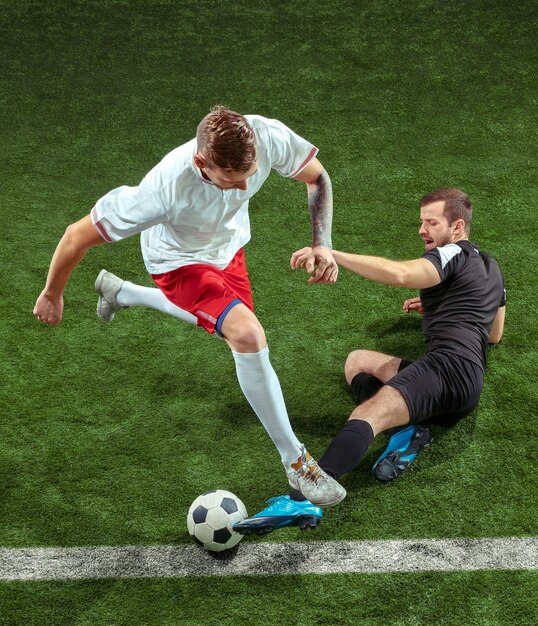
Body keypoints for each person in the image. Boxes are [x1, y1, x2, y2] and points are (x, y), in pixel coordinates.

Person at [33, 105, 346, 507]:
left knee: (234, 334)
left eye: (248, 178)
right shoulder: (163, 190)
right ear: (201, 162)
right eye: (230, 182)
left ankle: (122, 292)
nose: (242, 188)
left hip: (228, 248)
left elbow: (317, 176)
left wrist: (323, 244)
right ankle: (296, 462)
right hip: (177, 263)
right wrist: (52, 293)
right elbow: (76, 236)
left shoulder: (264, 135)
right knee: (248, 336)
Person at [234, 187, 506, 534]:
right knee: (357, 361)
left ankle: (302, 501)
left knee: (367, 414)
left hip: (445, 369)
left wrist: (331, 253)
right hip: (468, 384)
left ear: (456, 228)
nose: (422, 230)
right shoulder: (492, 267)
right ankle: (409, 431)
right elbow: (494, 333)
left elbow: (402, 275)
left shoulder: (451, 252)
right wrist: (442, 303)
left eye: (431, 222)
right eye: (421, 222)